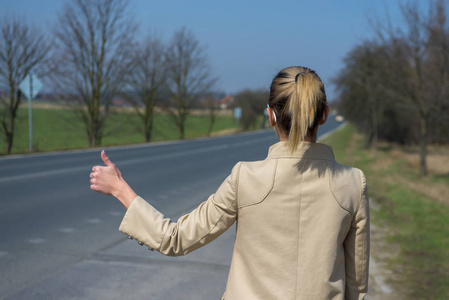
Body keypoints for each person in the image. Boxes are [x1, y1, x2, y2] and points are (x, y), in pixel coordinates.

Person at [90, 66, 370, 300]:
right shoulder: (353, 184)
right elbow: (356, 287)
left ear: (270, 115)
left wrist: (119, 188)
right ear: (323, 115)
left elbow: (174, 239)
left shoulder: (245, 178)